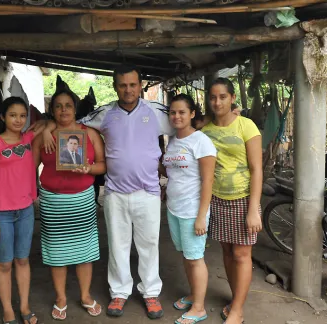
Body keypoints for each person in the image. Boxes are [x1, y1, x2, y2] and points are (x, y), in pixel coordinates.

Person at [33, 64, 173, 319]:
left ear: (140, 85)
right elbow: (71, 122)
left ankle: (150, 292)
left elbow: (186, 122)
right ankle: (119, 293)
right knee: (118, 244)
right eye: (122, 85)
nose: (128, 90)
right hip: (116, 191)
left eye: (132, 84)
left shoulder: (156, 112)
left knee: (148, 244)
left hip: (148, 191)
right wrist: (47, 127)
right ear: (114, 86)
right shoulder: (105, 113)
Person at [33, 89, 106, 321]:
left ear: (76, 109)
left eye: (68, 105)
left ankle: (85, 296)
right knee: (57, 253)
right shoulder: (43, 136)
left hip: (82, 199)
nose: (63, 110)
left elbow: (103, 165)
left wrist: (89, 168)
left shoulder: (90, 134)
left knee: (84, 252)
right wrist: (45, 130)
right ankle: (61, 298)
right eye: (58, 106)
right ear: (51, 110)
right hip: (53, 201)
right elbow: (30, 169)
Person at [200, 78, 262, 324]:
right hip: (217, 199)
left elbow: (257, 169)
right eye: (213, 97)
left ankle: (236, 311)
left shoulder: (246, 126)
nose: (217, 102)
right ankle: (235, 300)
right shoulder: (205, 132)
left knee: (241, 254)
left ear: (232, 98)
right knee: (226, 251)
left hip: (243, 198)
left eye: (223, 97)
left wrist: (253, 210)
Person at [0, 97, 42, 324]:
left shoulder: (28, 139)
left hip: (25, 210)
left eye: (22, 116)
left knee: (23, 260)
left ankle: (25, 306)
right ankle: (8, 309)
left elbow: (49, 124)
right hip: (1, 214)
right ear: (3, 117)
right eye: (13, 115)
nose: (18, 120)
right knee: (4, 263)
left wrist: (44, 132)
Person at [160, 94, 216, 324]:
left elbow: (208, 181)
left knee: (195, 258)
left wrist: (201, 216)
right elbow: (170, 171)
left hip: (193, 210)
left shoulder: (201, 141)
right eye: (173, 112)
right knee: (186, 255)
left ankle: (200, 308)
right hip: (174, 207)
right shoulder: (173, 140)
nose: (176, 116)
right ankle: (194, 294)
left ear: (192, 114)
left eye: (182, 112)